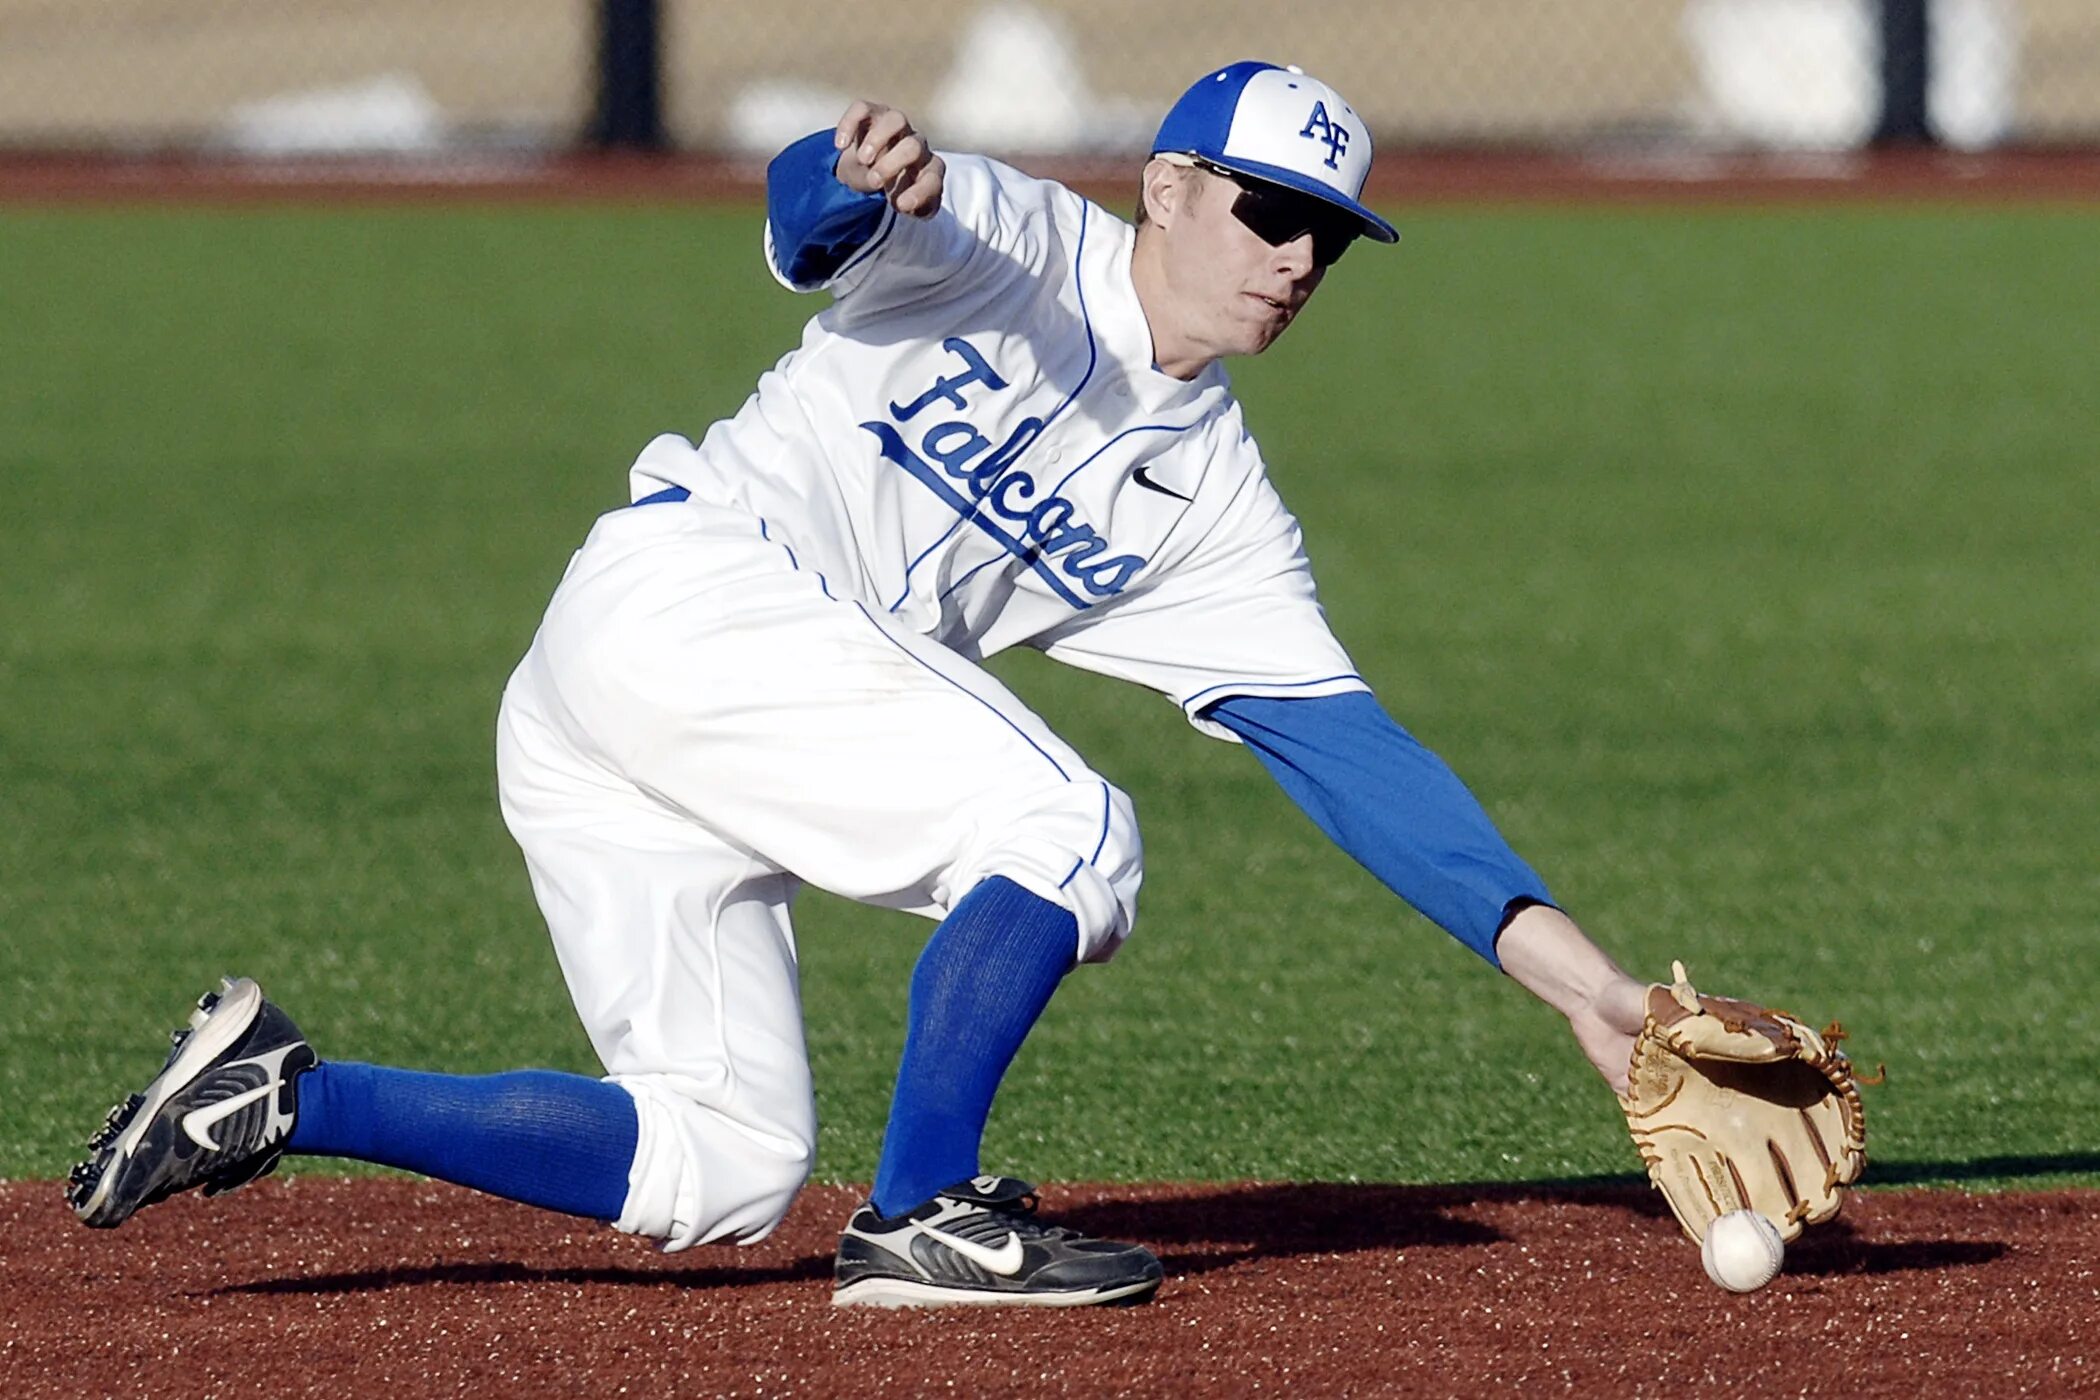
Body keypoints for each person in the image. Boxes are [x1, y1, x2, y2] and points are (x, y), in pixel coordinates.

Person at [67, 61, 1651, 1309]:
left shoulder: (1217, 510)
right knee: (1072, 832)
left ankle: (286, 1092)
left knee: (724, 1164)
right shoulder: (1024, 241)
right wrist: (852, 169)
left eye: (1328, 238)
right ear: (1168, 188)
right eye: (1266, 211)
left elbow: (1354, 760)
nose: (1297, 258)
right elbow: (813, 221)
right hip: (686, 594)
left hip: (656, 714)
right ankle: (923, 1222)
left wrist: (1599, 994)